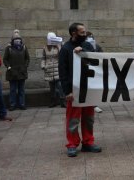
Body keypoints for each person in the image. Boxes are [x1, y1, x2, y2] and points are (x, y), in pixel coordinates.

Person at [59, 22, 101, 157]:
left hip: (89, 89)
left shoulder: (87, 46)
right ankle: (72, 144)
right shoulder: (65, 49)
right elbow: (63, 72)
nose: (85, 34)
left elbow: (96, 62)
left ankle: (88, 142)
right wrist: (67, 91)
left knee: (89, 117)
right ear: (74, 33)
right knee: (73, 118)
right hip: (74, 90)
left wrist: (83, 52)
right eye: (82, 32)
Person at [3, 31, 30, 111]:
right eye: (15, 39)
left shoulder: (24, 47)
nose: (17, 41)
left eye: (18, 39)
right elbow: (5, 59)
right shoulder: (9, 48)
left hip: (21, 71)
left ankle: (22, 104)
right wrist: (9, 67)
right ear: (12, 40)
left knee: (21, 89)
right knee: (13, 89)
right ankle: (12, 104)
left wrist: (25, 66)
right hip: (12, 72)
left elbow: (27, 58)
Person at [41, 32, 65, 108]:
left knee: (60, 86)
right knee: (52, 88)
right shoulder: (45, 48)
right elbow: (43, 58)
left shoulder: (59, 46)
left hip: (57, 69)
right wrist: (43, 65)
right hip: (49, 70)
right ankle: (53, 102)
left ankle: (63, 101)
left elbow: (62, 55)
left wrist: (59, 45)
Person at [86, 31, 103, 113]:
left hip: (95, 70)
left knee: (94, 88)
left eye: (91, 37)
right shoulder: (82, 47)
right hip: (86, 70)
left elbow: (102, 56)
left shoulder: (97, 47)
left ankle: (94, 104)